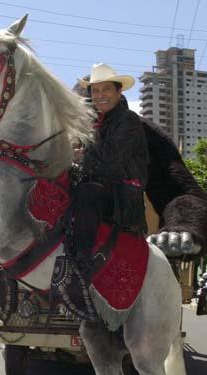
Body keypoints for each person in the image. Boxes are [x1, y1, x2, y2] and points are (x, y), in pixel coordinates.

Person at [73, 63, 149, 276]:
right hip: (102, 187)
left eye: (106, 89)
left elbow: (109, 160)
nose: (100, 95)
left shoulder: (129, 120)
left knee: (85, 193)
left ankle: (82, 260)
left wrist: (82, 156)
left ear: (119, 91)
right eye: (95, 91)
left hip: (122, 196)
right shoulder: (95, 123)